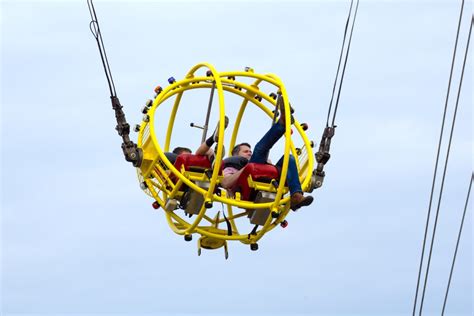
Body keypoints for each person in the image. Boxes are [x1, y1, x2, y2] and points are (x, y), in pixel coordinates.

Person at [221, 104, 313, 211]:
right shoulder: (232, 165)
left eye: (250, 152)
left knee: (289, 158)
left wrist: (269, 165)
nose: (249, 153)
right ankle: (282, 123)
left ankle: (296, 196)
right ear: (235, 155)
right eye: (246, 151)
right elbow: (225, 183)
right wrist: (245, 169)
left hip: (268, 182)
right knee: (260, 149)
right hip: (247, 189)